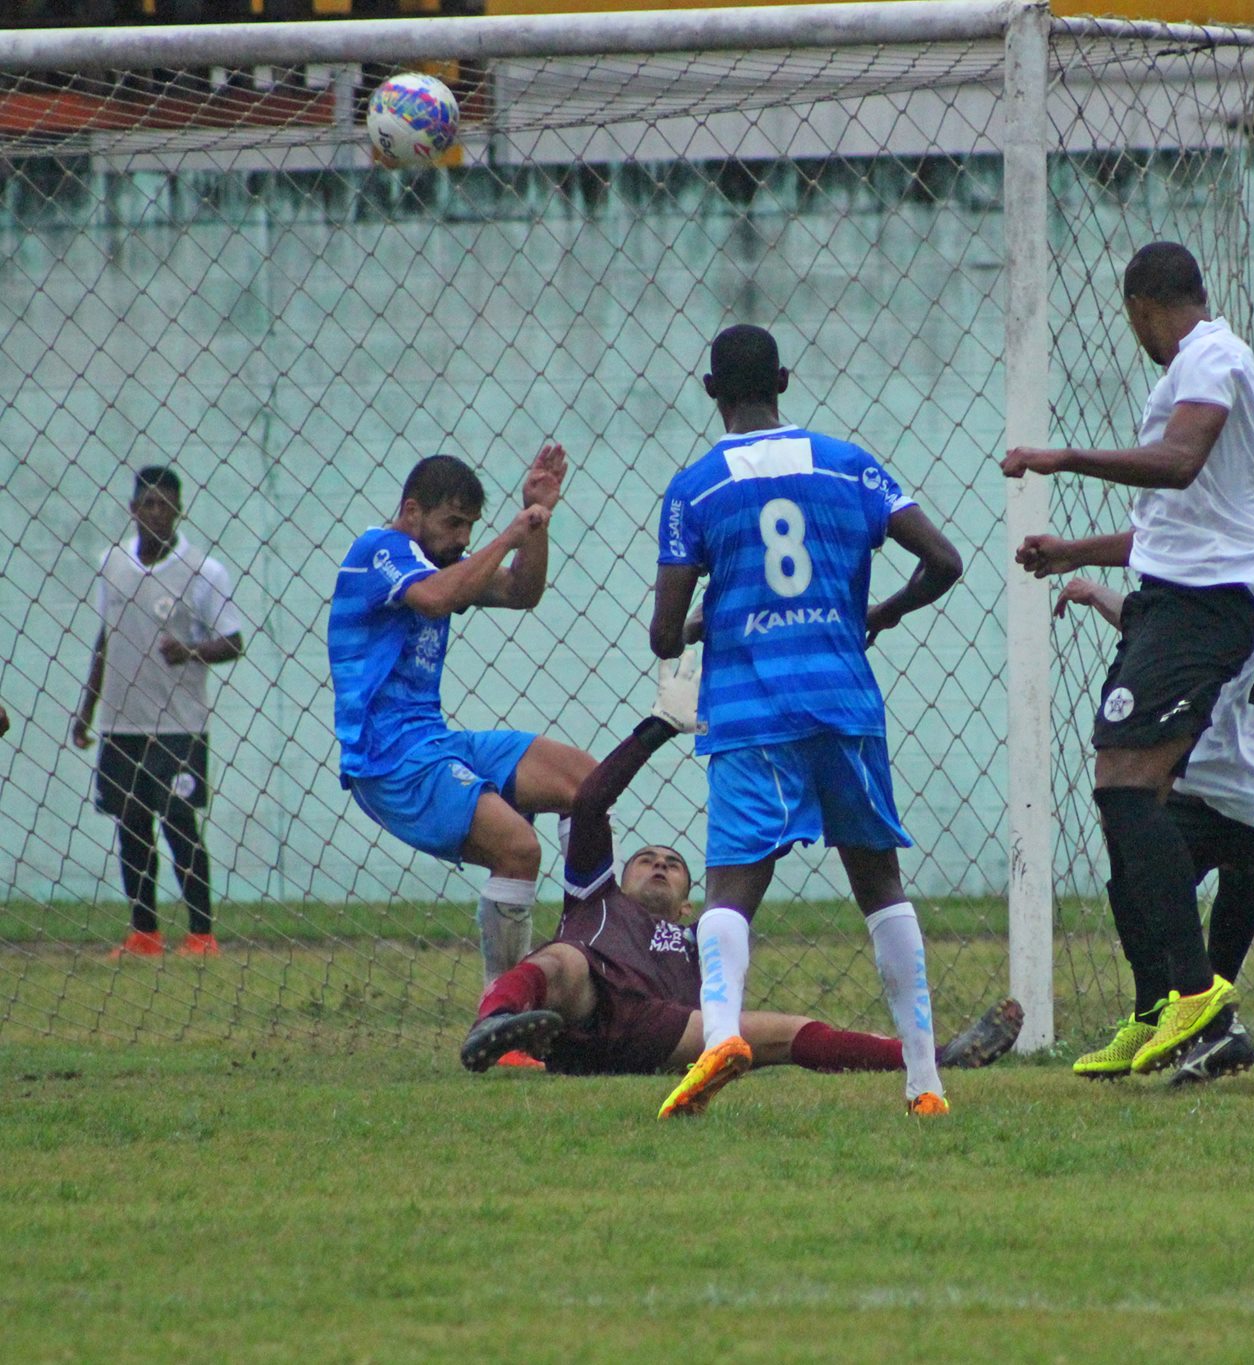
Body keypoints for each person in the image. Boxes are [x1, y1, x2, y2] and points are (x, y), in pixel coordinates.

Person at [648, 324, 965, 1118]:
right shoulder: (849, 464)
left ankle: (722, 1032)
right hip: (842, 704)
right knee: (879, 884)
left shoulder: (696, 489)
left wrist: (703, 623)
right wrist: (880, 614)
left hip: (753, 715)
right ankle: (925, 1081)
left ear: (712, 391)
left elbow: (662, 632)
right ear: (784, 380)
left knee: (729, 890)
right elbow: (946, 562)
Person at [1001, 241, 1254, 1079]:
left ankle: (1196, 993)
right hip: (1181, 596)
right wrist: (1075, 552)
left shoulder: (1211, 357)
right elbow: (1180, 521)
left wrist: (1062, 457)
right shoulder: (1205, 365)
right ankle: (1156, 1008)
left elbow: (1178, 464)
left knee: (1125, 789)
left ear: (1139, 305)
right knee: (1128, 810)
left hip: (1204, 608)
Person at [1025, 433, 1254, 1084]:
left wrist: (1085, 576)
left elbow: (1165, 633)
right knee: (1239, 854)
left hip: (1227, 774)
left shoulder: (1233, 554)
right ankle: (1208, 1013)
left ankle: (1171, 1009)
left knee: (1134, 836)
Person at [458, 674, 1023, 1083]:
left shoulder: (704, 935)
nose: (659, 864)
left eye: (674, 864)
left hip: (661, 1032)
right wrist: (657, 728)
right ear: (618, 876)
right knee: (561, 960)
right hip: (581, 1007)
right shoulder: (592, 898)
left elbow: (737, 907)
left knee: (786, 1030)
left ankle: (934, 1058)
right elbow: (589, 802)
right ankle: (494, 1023)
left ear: (686, 903)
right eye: (647, 858)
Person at [327, 445, 597, 1018]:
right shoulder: (379, 550)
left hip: (435, 741)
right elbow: (435, 599)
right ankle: (503, 1013)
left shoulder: (438, 559)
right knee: (519, 850)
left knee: (588, 783)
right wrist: (506, 536)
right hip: (390, 761)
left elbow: (522, 593)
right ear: (411, 510)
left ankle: (590, 947)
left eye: (468, 527)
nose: (460, 538)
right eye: (452, 524)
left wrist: (538, 519)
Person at [72, 467, 246, 958]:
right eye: (146, 504)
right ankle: (144, 933)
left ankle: (201, 934)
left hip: (179, 727)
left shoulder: (205, 572)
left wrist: (190, 651)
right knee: (130, 826)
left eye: (164, 505)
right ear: (132, 509)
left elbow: (233, 642)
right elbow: (105, 638)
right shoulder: (111, 564)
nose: (155, 514)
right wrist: (87, 711)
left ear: (178, 511)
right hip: (120, 725)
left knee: (179, 825)